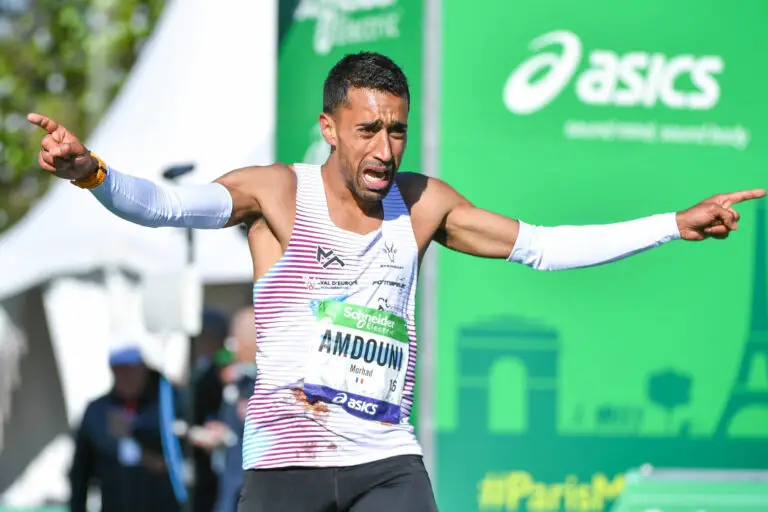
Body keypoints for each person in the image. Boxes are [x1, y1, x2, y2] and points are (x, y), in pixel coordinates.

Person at [31, 51, 763, 511]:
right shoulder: (277, 192)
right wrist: (91, 171)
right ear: (329, 127)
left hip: (385, 463)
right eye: (367, 131)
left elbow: (544, 247)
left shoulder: (422, 203)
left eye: (397, 131)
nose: (385, 149)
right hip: (287, 465)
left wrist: (673, 223)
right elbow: (164, 205)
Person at [69, 347, 180, 512]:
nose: (125, 377)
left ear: (144, 370)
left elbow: (177, 456)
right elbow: (80, 471)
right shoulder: (98, 411)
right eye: (119, 371)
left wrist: (134, 430)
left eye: (131, 370)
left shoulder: (168, 405)